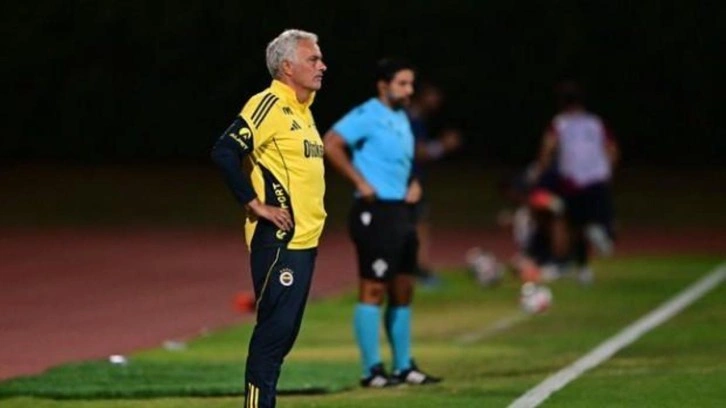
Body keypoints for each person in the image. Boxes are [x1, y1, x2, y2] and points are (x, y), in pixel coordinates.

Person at [210, 29, 327, 408]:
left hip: (304, 242)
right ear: (287, 66)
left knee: (282, 338)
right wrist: (253, 203)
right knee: (271, 340)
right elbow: (224, 151)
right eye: (313, 59)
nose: (322, 66)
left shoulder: (304, 111)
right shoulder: (268, 105)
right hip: (279, 242)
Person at [323, 58, 442, 387]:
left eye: (410, 84)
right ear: (383, 85)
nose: (409, 90)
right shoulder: (367, 114)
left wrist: (414, 182)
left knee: (403, 289)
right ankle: (371, 370)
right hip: (374, 212)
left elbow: (404, 160)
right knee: (373, 288)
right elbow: (331, 143)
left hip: (401, 212)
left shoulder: (402, 117)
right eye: (402, 83)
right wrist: (360, 182)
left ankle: (403, 366)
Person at [530, 79, 619, 284]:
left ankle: (581, 267)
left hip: (572, 181)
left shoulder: (560, 123)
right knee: (602, 222)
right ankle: (597, 239)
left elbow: (547, 148)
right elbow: (612, 150)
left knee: (574, 226)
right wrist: (607, 172)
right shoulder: (596, 122)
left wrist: (540, 172)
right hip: (597, 179)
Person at [407, 83, 463, 286]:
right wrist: (442, 146)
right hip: (406, 179)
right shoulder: (410, 118)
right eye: (432, 95)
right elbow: (416, 151)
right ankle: (419, 270)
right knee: (417, 224)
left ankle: (412, 269)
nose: (436, 101)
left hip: (411, 178)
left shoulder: (418, 118)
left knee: (415, 223)